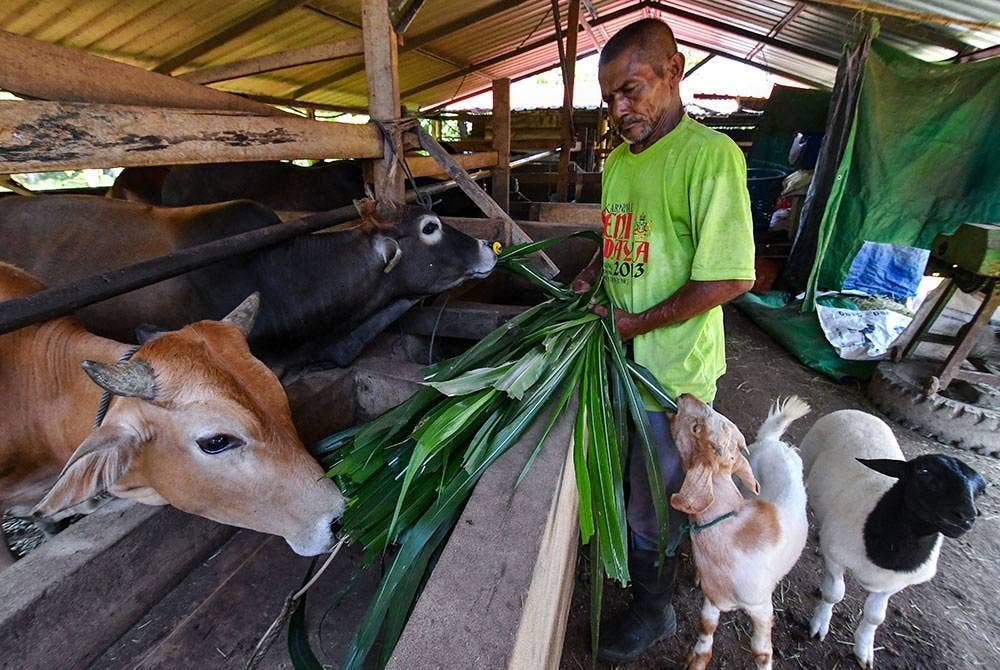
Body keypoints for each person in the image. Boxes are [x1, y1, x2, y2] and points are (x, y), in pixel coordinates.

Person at [571, 18, 756, 663]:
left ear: (674, 72)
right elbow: (619, 240)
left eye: (633, 89)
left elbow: (731, 274)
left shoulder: (711, 158)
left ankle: (653, 608)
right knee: (621, 477)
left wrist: (636, 324)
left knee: (658, 496)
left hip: (669, 372)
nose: (621, 109)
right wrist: (593, 279)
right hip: (614, 359)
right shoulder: (619, 163)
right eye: (610, 99)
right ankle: (625, 568)